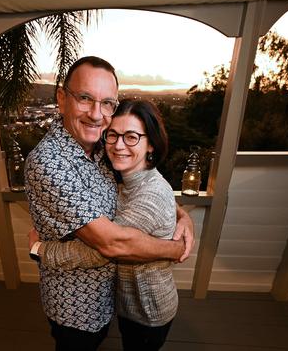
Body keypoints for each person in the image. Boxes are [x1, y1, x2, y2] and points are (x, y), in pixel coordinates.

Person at [24, 56, 194, 351]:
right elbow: (112, 245)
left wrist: (180, 215)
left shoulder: (102, 147)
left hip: (110, 299)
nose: (95, 114)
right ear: (62, 99)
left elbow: (143, 190)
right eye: (85, 98)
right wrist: (175, 249)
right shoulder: (50, 163)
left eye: (107, 104)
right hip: (75, 307)